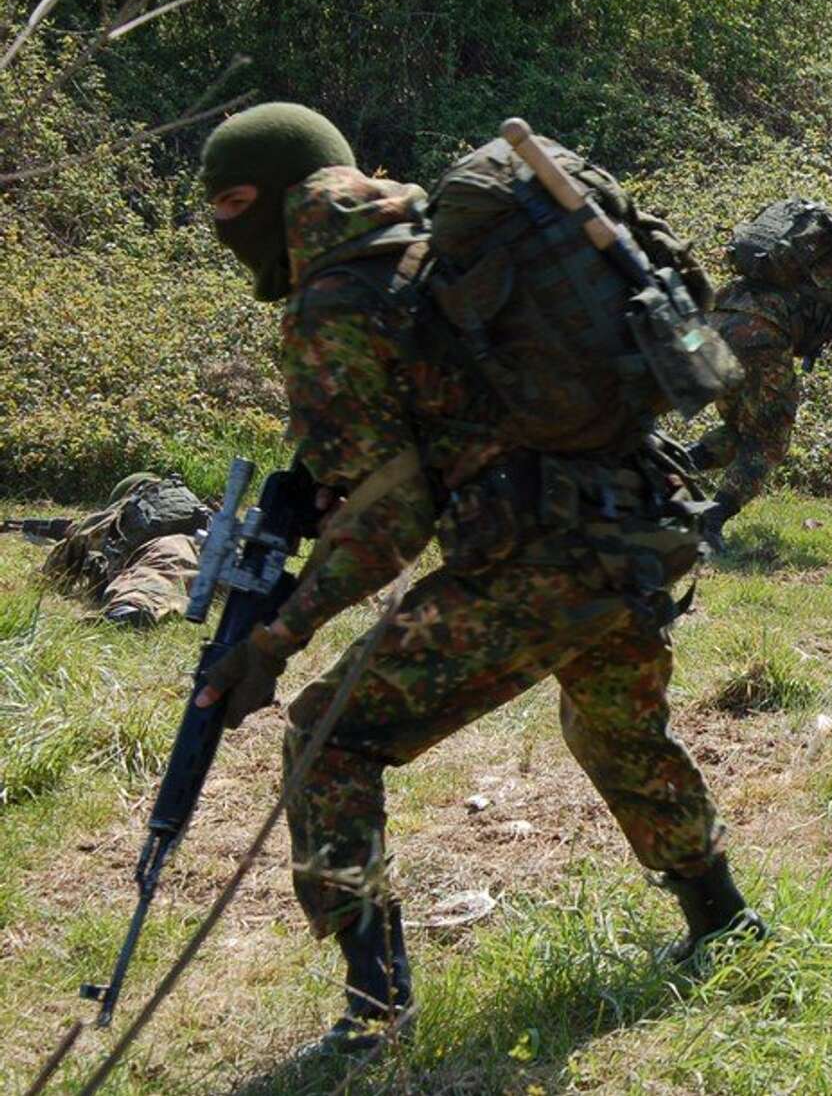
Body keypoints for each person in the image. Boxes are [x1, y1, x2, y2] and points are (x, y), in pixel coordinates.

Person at [190, 102, 760, 1056]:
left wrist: (275, 641)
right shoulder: (435, 247)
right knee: (616, 728)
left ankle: (375, 1008)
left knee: (330, 740)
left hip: (537, 557)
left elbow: (388, 519)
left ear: (276, 197)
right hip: (637, 526)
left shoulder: (337, 298)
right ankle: (726, 923)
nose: (224, 230)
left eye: (229, 206)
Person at [688, 203, 832, 552]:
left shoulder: (796, 252)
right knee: (768, 441)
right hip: (760, 337)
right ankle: (710, 521)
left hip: (712, 324)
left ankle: (667, 465)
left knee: (741, 431)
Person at [38, 472, 209, 627]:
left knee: (160, 565)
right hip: (217, 560)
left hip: (174, 554)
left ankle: (130, 607)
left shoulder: (127, 509)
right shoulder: (194, 508)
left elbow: (58, 566)